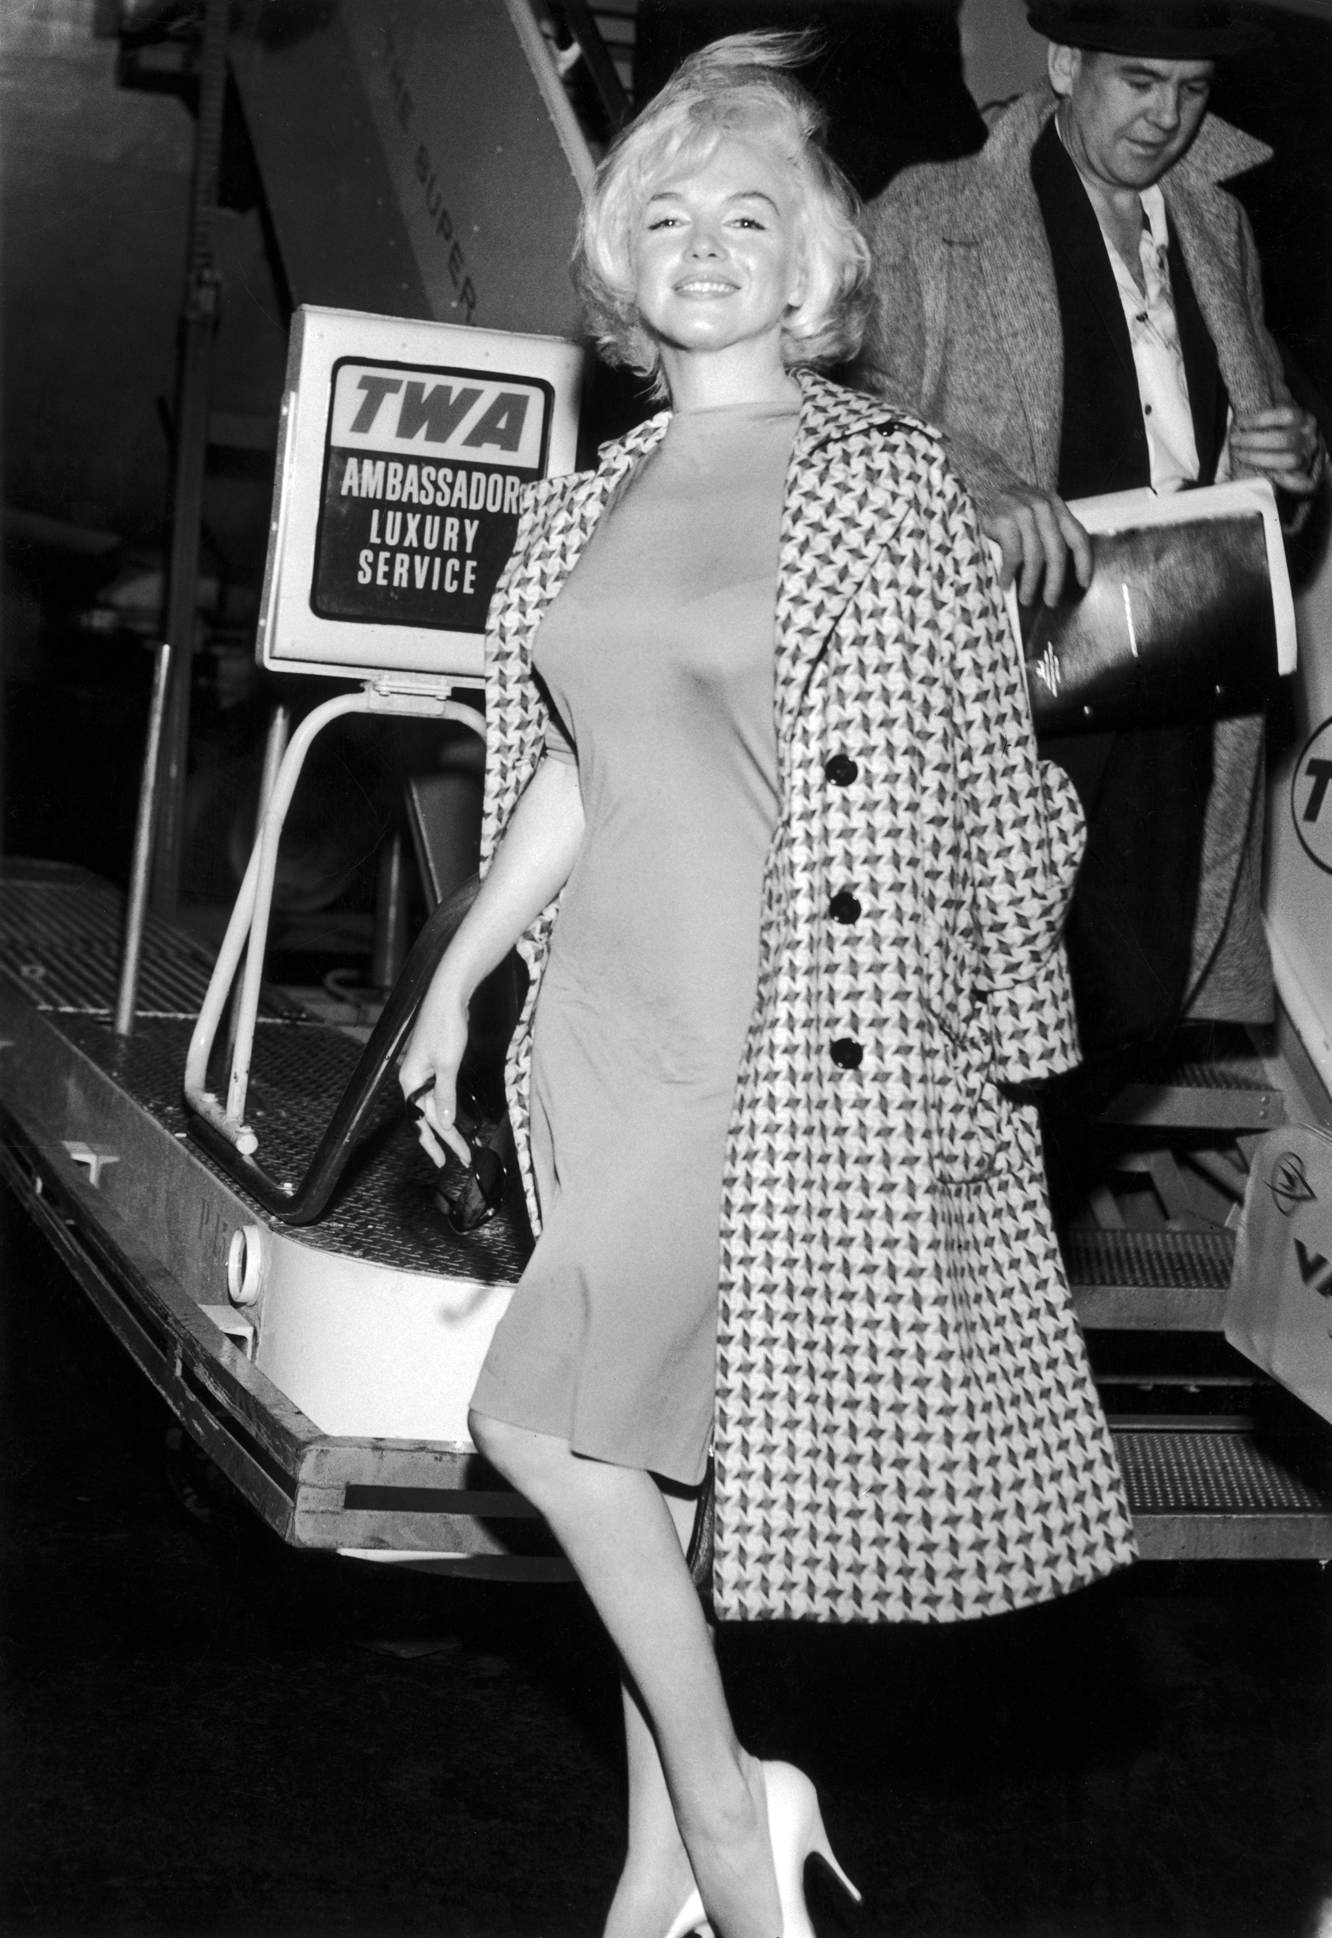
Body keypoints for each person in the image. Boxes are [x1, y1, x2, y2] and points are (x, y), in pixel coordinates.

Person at [401, 32, 1134, 1938]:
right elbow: (583, 762)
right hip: (602, 1021)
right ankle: (657, 1868)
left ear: (813, 266)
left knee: (535, 1430)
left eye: (750, 214)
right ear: (618, 264)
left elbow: (989, 784)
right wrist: (454, 977)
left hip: (785, 1036)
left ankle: (734, 1812)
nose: (707, 245)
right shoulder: (587, 502)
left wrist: (998, 1049)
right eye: (667, 217)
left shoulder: (883, 488)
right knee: (640, 1452)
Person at [859, 0, 1326, 1064]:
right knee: (972, 998)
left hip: (1180, 669)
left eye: (1192, 90)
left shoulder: (1219, 227)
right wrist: (976, 482)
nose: (1167, 117)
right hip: (1000, 687)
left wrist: (1288, 467)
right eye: (1139, 81)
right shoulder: (929, 215)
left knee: (1134, 990)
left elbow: (1256, 456)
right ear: (1066, 64)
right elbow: (844, 415)